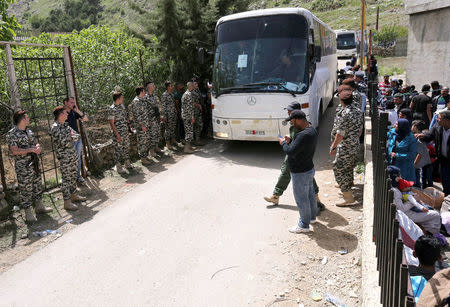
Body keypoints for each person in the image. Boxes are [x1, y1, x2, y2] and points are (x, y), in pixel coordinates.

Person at [264, 102, 325, 211]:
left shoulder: (302, 125)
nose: (288, 113)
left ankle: (314, 202)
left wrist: (283, 143)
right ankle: (276, 196)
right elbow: (297, 141)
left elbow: (300, 143)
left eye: (290, 111)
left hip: (297, 156)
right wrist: (290, 140)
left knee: (302, 178)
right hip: (295, 154)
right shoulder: (295, 123)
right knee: (296, 174)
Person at [6, 110, 52, 222]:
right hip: (23, 166)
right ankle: (28, 213)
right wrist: (31, 149)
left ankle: (39, 206)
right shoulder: (12, 134)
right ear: (22, 119)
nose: (29, 119)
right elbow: (14, 151)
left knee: (37, 184)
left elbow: (36, 142)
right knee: (25, 189)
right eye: (27, 117)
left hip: (34, 163)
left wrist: (37, 146)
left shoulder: (29, 131)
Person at [279, 110, 318, 233]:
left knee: (302, 199)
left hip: (300, 172)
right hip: (308, 168)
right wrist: (291, 142)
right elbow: (300, 147)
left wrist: (283, 143)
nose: (291, 123)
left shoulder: (303, 135)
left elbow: (290, 152)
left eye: (292, 121)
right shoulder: (311, 130)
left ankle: (304, 225)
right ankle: (312, 218)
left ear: (298, 119)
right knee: (310, 195)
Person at [330, 85, 363, 206]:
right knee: (348, 167)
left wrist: (333, 147)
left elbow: (340, 134)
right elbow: (360, 130)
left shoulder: (346, 114)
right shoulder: (358, 110)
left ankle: (348, 197)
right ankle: (348, 186)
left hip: (345, 147)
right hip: (354, 144)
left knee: (338, 169)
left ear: (341, 100)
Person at [50, 106, 86, 211]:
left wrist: (70, 138)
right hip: (65, 158)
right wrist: (70, 138)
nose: (67, 115)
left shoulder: (65, 125)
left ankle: (73, 195)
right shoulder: (55, 127)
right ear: (60, 115)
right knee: (66, 179)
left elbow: (76, 136)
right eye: (65, 113)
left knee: (73, 176)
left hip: (72, 155)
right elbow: (64, 142)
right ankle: (67, 201)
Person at [389, 166, 441, 234]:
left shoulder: (394, 187)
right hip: (406, 215)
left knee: (430, 211)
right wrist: (414, 200)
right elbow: (402, 209)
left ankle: (427, 230)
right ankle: (432, 234)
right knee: (436, 214)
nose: (400, 177)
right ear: (395, 177)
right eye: (399, 175)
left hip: (406, 212)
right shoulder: (395, 191)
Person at [418, 110, 450, 195]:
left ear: (447, 120)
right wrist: (422, 136)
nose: (437, 120)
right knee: (445, 180)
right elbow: (429, 136)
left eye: (439, 118)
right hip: (443, 159)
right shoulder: (437, 127)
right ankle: (447, 197)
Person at [63, 97, 88, 185]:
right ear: (65, 102)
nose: (73, 104)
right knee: (70, 160)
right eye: (71, 102)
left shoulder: (74, 112)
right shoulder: (62, 113)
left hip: (77, 139)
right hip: (68, 141)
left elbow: (86, 119)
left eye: (74, 102)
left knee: (78, 159)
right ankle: (71, 179)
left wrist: (78, 111)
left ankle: (78, 177)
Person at [108, 92, 132, 174]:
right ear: (118, 99)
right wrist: (117, 134)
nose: (123, 99)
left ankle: (127, 163)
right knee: (118, 150)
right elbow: (111, 123)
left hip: (124, 131)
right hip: (118, 133)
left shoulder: (122, 106)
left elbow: (126, 118)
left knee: (126, 147)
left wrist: (128, 128)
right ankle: (119, 167)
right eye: (121, 98)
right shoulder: (112, 109)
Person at [130, 86, 152, 165]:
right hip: (141, 126)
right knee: (142, 141)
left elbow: (146, 112)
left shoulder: (143, 100)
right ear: (141, 92)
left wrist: (148, 121)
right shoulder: (136, 102)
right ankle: (143, 158)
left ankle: (145, 156)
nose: (145, 92)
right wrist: (142, 125)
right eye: (144, 91)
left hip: (146, 124)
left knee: (147, 140)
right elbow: (137, 115)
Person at [161, 80, 183, 151]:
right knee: (167, 129)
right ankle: (167, 143)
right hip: (168, 115)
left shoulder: (172, 94)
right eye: (171, 86)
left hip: (173, 114)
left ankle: (173, 140)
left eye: (172, 85)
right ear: (168, 87)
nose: (172, 87)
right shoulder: (164, 95)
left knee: (173, 128)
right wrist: (164, 116)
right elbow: (163, 107)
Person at [145, 81, 164, 160]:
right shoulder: (145, 97)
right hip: (150, 119)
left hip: (156, 118)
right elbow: (144, 110)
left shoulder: (154, 96)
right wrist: (148, 120)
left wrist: (160, 116)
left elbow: (158, 106)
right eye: (153, 86)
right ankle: (151, 151)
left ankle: (156, 147)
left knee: (157, 133)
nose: (154, 86)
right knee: (151, 134)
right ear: (149, 87)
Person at [412, 120, 433, 188]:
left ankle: (425, 190)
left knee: (425, 177)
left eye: (412, 125)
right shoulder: (422, 136)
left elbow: (419, 154)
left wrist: (414, 164)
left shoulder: (419, 139)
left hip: (423, 162)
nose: (411, 127)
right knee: (426, 177)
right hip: (426, 161)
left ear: (416, 127)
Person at [181, 82, 196, 153]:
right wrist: (192, 117)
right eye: (192, 85)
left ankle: (189, 147)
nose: (193, 86)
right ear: (189, 86)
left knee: (188, 131)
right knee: (189, 132)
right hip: (188, 116)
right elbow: (189, 107)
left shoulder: (185, 94)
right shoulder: (188, 94)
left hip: (186, 115)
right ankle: (186, 149)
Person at [192, 79, 205, 146]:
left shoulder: (197, 90)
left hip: (198, 111)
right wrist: (198, 105)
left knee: (199, 125)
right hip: (193, 112)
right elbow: (191, 102)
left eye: (197, 84)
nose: (197, 85)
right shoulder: (191, 92)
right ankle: (194, 140)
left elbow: (200, 98)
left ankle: (197, 139)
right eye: (195, 84)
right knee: (193, 126)